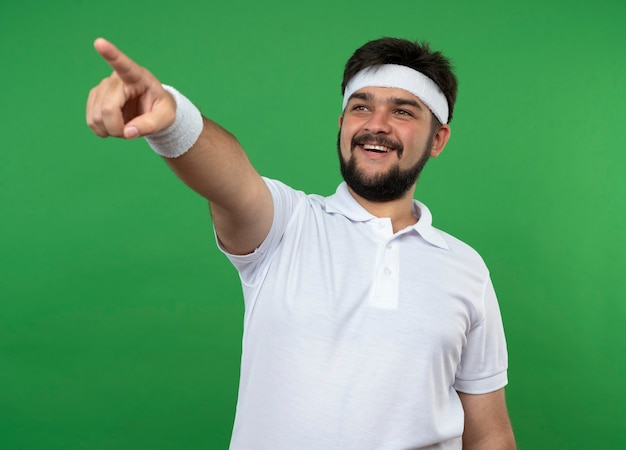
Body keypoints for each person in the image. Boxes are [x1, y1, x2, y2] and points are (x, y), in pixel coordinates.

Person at [86, 36, 516, 449]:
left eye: (403, 112)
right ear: (342, 123)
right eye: (360, 107)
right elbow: (230, 180)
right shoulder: (286, 223)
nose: (376, 125)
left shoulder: (466, 268)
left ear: (437, 139)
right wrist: (173, 119)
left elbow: (488, 433)